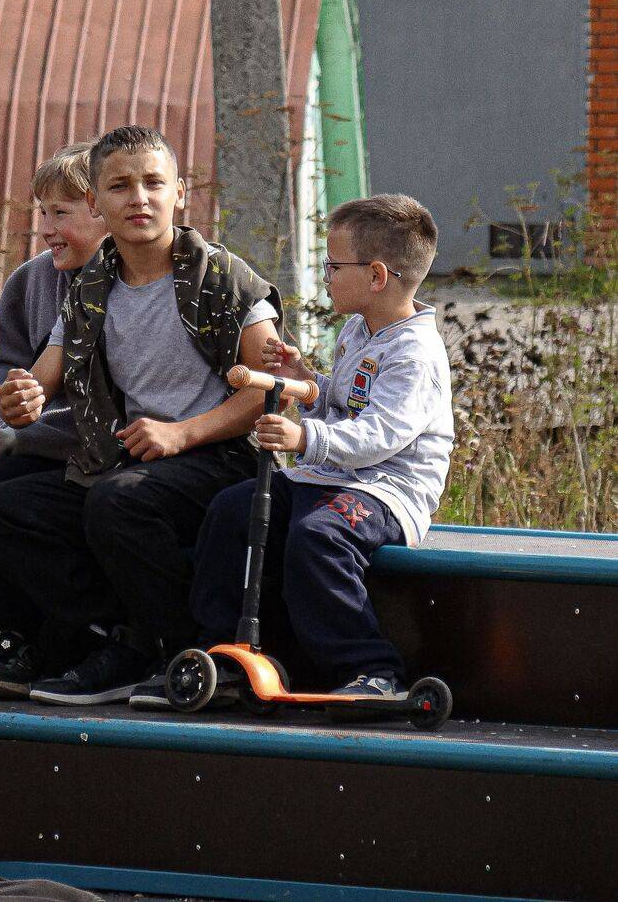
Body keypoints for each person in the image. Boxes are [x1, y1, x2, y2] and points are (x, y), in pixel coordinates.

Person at [0, 125, 283, 707]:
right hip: (137, 461)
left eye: (153, 183)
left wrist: (182, 433)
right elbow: (38, 379)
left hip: (223, 459)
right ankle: (119, 640)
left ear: (179, 193)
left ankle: (183, 653)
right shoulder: (91, 286)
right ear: (96, 202)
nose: (139, 198)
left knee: (117, 501)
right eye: (120, 186)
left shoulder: (222, 277)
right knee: (3, 509)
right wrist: (20, 400)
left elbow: (276, 390)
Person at [188, 194, 454, 700]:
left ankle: (372, 669)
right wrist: (305, 380)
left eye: (333, 266)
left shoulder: (415, 354)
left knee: (318, 536)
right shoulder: (358, 330)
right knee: (232, 509)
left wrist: (303, 437)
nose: (326, 275)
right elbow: (346, 404)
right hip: (334, 476)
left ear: (376, 276)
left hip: (388, 490)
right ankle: (224, 652)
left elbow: (379, 435)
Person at [0, 143, 109, 698]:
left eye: (61, 213)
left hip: (82, 448)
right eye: (43, 213)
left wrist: (8, 440)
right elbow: (6, 363)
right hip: (29, 436)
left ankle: (71, 635)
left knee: (3, 492)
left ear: (102, 212)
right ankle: (8, 639)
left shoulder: (124, 287)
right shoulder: (31, 279)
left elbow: (97, 407)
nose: (47, 229)